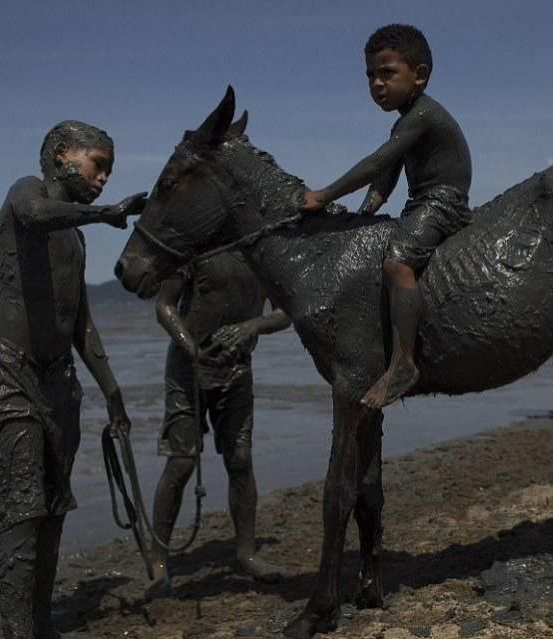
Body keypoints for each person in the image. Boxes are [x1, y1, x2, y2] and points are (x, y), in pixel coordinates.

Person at [0, 121, 145, 639]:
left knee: (51, 513)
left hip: (59, 384)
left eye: (110, 170)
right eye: (98, 165)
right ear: (63, 154)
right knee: (21, 514)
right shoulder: (27, 192)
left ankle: (39, 626)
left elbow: (80, 323)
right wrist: (106, 214)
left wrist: (112, 390)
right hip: (8, 374)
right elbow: (37, 214)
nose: (105, 178)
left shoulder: (75, 238)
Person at [301, 23, 472, 409]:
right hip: (422, 202)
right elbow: (385, 177)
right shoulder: (405, 122)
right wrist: (361, 213)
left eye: (387, 73)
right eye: (370, 76)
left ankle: (403, 363)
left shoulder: (424, 114)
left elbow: (375, 162)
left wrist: (324, 195)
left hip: (442, 202)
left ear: (420, 75)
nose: (377, 84)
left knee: (397, 262)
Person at [147, 249, 292, 597]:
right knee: (181, 462)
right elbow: (164, 306)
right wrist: (192, 348)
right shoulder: (195, 245)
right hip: (188, 369)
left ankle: (246, 553)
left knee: (240, 459)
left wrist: (251, 326)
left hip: (237, 368)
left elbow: (286, 312)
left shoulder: (261, 254)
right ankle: (158, 562)